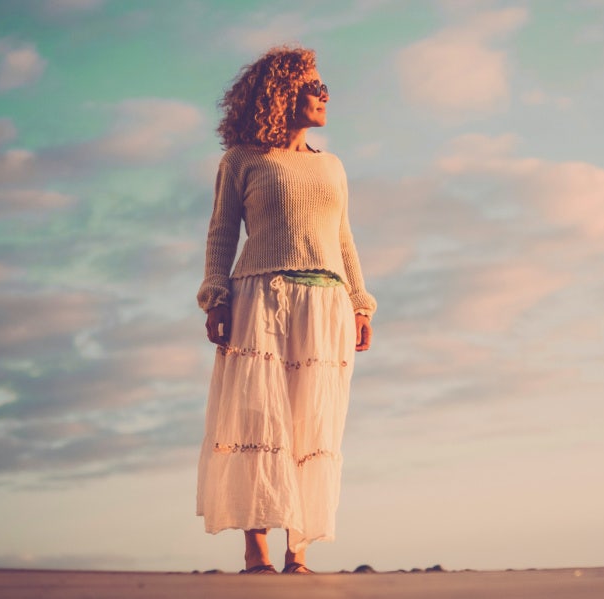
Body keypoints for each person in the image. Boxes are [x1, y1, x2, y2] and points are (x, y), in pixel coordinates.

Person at [195, 45, 375, 575]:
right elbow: (222, 232)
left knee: (313, 423)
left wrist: (360, 302)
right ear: (281, 93)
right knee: (261, 420)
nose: (324, 93)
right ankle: (257, 548)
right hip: (261, 299)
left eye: (323, 85)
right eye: (313, 84)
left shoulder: (333, 167)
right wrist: (216, 296)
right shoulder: (244, 160)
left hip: (325, 302)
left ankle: (299, 550)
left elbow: (344, 240)